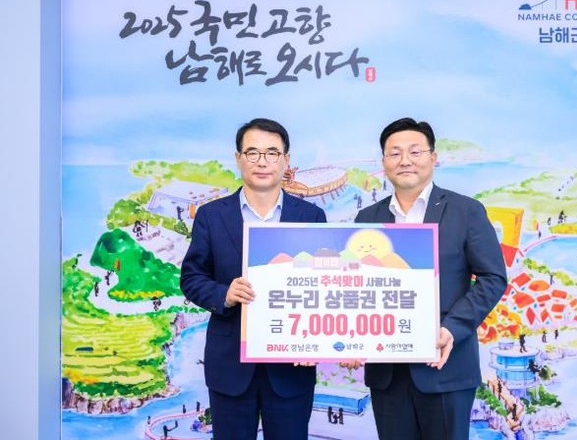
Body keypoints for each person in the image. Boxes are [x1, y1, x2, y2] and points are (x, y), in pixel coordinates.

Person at [343, 117, 507, 440]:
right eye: (395, 153)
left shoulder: (466, 211)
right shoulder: (367, 218)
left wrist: (452, 328)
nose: (405, 160)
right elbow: (355, 285)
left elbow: (493, 278)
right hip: (387, 374)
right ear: (384, 162)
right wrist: (351, 338)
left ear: (433, 157)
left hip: (445, 367)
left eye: (415, 151)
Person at [180, 118, 327, 440]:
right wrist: (224, 294)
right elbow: (191, 277)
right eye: (253, 152)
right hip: (230, 365)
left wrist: (317, 342)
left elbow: (324, 286)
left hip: (291, 367)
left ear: (286, 160)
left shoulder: (311, 216)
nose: (262, 161)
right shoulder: (211, 216)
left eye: (272, 153)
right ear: (238, 158)